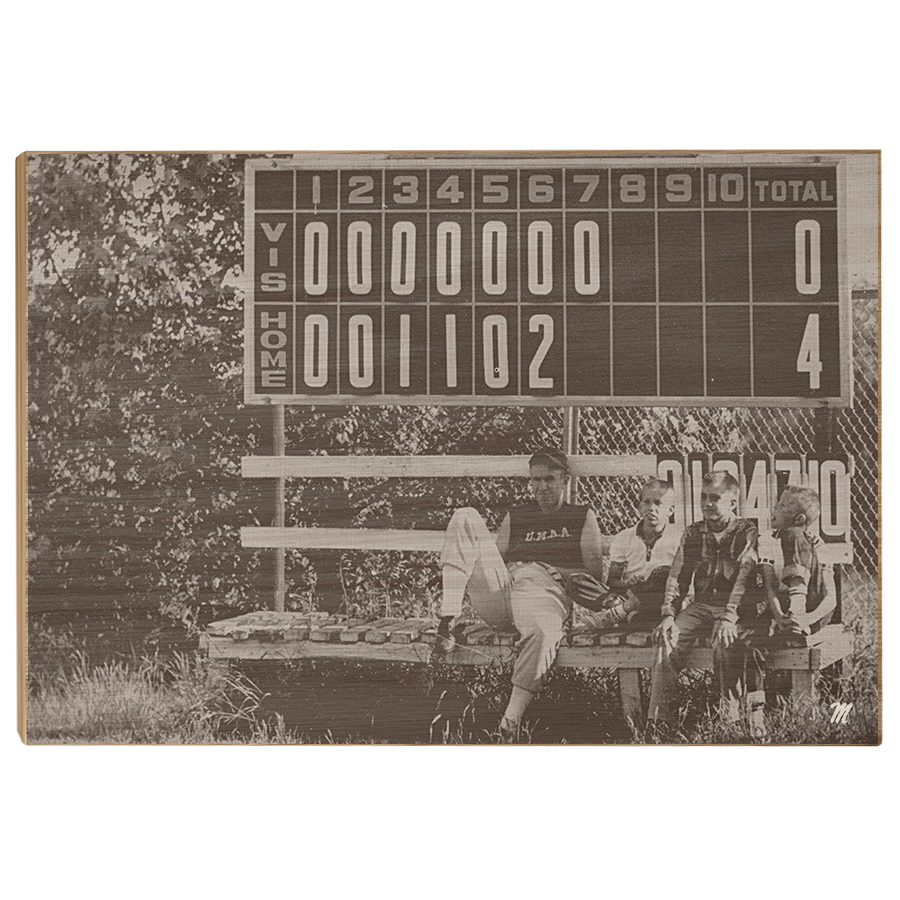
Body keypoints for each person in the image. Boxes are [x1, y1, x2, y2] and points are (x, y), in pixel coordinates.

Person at [437, 447, 605, 739]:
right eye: (536, 480)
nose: (542, 487)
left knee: (542, 631)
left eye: (549, 479)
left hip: (545, 589)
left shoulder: (581, 515)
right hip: (505, 592)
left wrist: (554, 570)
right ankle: (448, 617)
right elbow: (495, 563)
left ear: (565, 479)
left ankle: (509, 724)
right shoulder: (517, 514)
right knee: (465, 515)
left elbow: (594, 571)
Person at [648, 470, 761, 730]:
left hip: (734, 609)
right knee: (667, 636)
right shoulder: (693, 533)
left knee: (725, 641)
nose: (708, 504)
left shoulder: (746, 531)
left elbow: (745, 576)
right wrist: (668, 615)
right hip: (700, 606)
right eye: (703, 497)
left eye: (715, 498)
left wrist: (730, 616)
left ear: (733, 503)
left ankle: (728, 719)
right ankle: (659, 721)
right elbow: (677, 576)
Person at [578, 478, 683, 632]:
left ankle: (620, 615)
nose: (651, 508)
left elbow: (682, 582)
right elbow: (612, 581)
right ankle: (630, 614)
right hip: (627, 595)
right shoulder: (624, 537)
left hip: (661, 598)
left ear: (670, 510)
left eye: (658, 503)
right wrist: (628, 584)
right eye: (646, 502)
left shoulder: (679, 539)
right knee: (576, 581)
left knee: (662, 574)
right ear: (640, 507)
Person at [759, 486, 836, 636]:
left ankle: (797, 610)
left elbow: (831, 598)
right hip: (781, 608)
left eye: (783, 505)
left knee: (794, 533)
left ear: (799, 518)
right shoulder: (767, 541)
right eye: (778, 502)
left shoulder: (817, 543)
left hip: (813, 611)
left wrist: (805, 619)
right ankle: (788, 623)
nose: (774, 508)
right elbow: (770, 588)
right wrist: (780, 616)